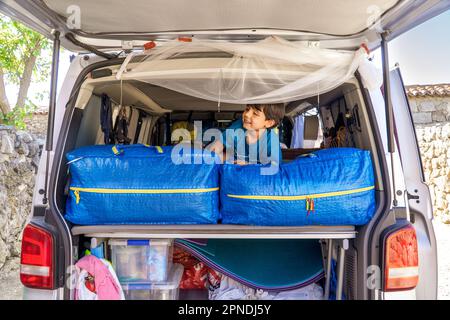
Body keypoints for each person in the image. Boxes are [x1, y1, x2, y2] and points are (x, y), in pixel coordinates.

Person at [208, 103, 285, 164]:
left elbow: (275, 166)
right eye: (247, 109)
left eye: (255, 113)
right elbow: (217, 147)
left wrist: (248, 165)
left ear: (269, 123)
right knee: (213, 157)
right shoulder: (237, 127)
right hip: (235, 162)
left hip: (256, 171)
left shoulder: (271, 139)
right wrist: (210, 155)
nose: (247, 114)